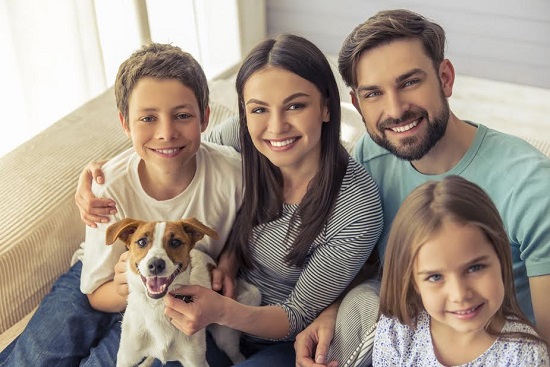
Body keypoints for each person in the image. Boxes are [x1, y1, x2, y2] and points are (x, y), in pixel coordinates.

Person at [73, 34, 384, 365]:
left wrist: (219, 310)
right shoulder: (243, 136)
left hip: (276, 337)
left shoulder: (356, 209)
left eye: (296, 105)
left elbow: (296, 315)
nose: (276, 127)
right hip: (198, 306)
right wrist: (100, 173)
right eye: (259, 109)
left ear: (325, 106)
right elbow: (173, 149)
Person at [295, 8, 550, 367]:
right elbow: (372, 265)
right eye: (374, 94)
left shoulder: (532, 186)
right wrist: (331, 312)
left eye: (410, 82)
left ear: (445, 78)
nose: (396, 110)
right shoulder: (371, 155)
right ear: (356, 104)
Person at [0, 43, 243, 366]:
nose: (166, 133)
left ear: (205, 118)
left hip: (170, 284)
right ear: (125, 123)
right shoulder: (107, 185)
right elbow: (95, 293)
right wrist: (127, 287)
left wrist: (228, 261)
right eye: (148, 118)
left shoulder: (233, 174)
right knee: (40, 354)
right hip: (102, 281)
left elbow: (247, 232)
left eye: (182, 115)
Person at [374, 175, 548, 366]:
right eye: (435, 277)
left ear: (500, 257)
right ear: (413, 282)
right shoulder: (398, 331)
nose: (459, 295)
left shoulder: (525, 356)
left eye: (475, 268)